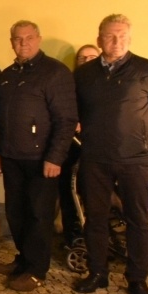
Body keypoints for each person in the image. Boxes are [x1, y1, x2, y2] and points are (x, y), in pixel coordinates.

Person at [73, 14, 148, 294]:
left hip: (135, 160)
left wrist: (145, 139)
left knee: (137, 220)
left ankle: (137, 279)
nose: (116, 41)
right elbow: (75, 112)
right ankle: (97, 272)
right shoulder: (84, 74)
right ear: (99, 37)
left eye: (122, 36)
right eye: (111, 36)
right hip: (95, 158)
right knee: (96, 219)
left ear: (130, 38)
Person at [0, 21, 78, 292]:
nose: (23, 43)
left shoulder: (55, 72)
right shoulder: (7, 75)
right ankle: (23, 260)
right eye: (17, 39)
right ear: (11, 41)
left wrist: (55, 158)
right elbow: (1, 120)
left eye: (28, 38)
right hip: (12, 157)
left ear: (38, 39)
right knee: (16, 213)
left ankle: (37, 270)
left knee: (39, 215)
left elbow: (66, 120)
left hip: (42, 160)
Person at [57, 44, 101, 248]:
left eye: (92, 57)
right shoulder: (69, 83)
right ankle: (73, 237)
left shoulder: (108, 82)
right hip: (73, 146)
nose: (87, 61)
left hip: (99, 148)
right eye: (82, 58)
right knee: (69, 194)